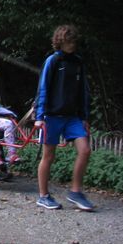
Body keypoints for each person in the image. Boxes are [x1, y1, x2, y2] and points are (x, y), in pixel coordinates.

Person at [34, 25, 93, 211]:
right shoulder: (53, 61)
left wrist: (84, 116)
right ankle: (43, 196)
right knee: (48, 156)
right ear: (60, 41)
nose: (72, 44)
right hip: (51, 116)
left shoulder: (78, 62)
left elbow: (83, 90)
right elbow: (43, 88)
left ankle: (75, 191)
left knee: (85, 150)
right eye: (69, 41)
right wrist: (40, 116)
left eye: (74, 41)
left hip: (73, 116)